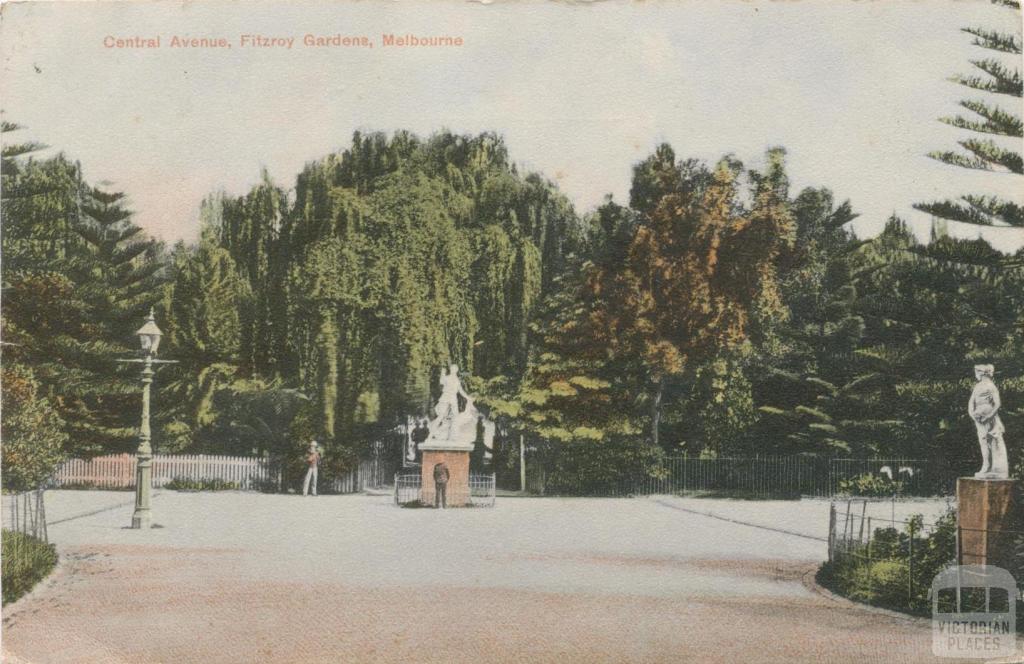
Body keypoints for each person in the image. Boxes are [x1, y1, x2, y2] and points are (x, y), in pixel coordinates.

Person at [969, 364, 1008, 479]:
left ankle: (990, 466)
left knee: (989, 441)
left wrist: (989, 416)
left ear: (981, 373)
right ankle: (986, 464)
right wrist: (972, 414)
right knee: (983, 441)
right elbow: (971, 402)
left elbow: (997, 403)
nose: (975, 374)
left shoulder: (991, 386)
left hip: (988, 416)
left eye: (976, 372)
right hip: (978, 417)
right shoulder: (977, 386)